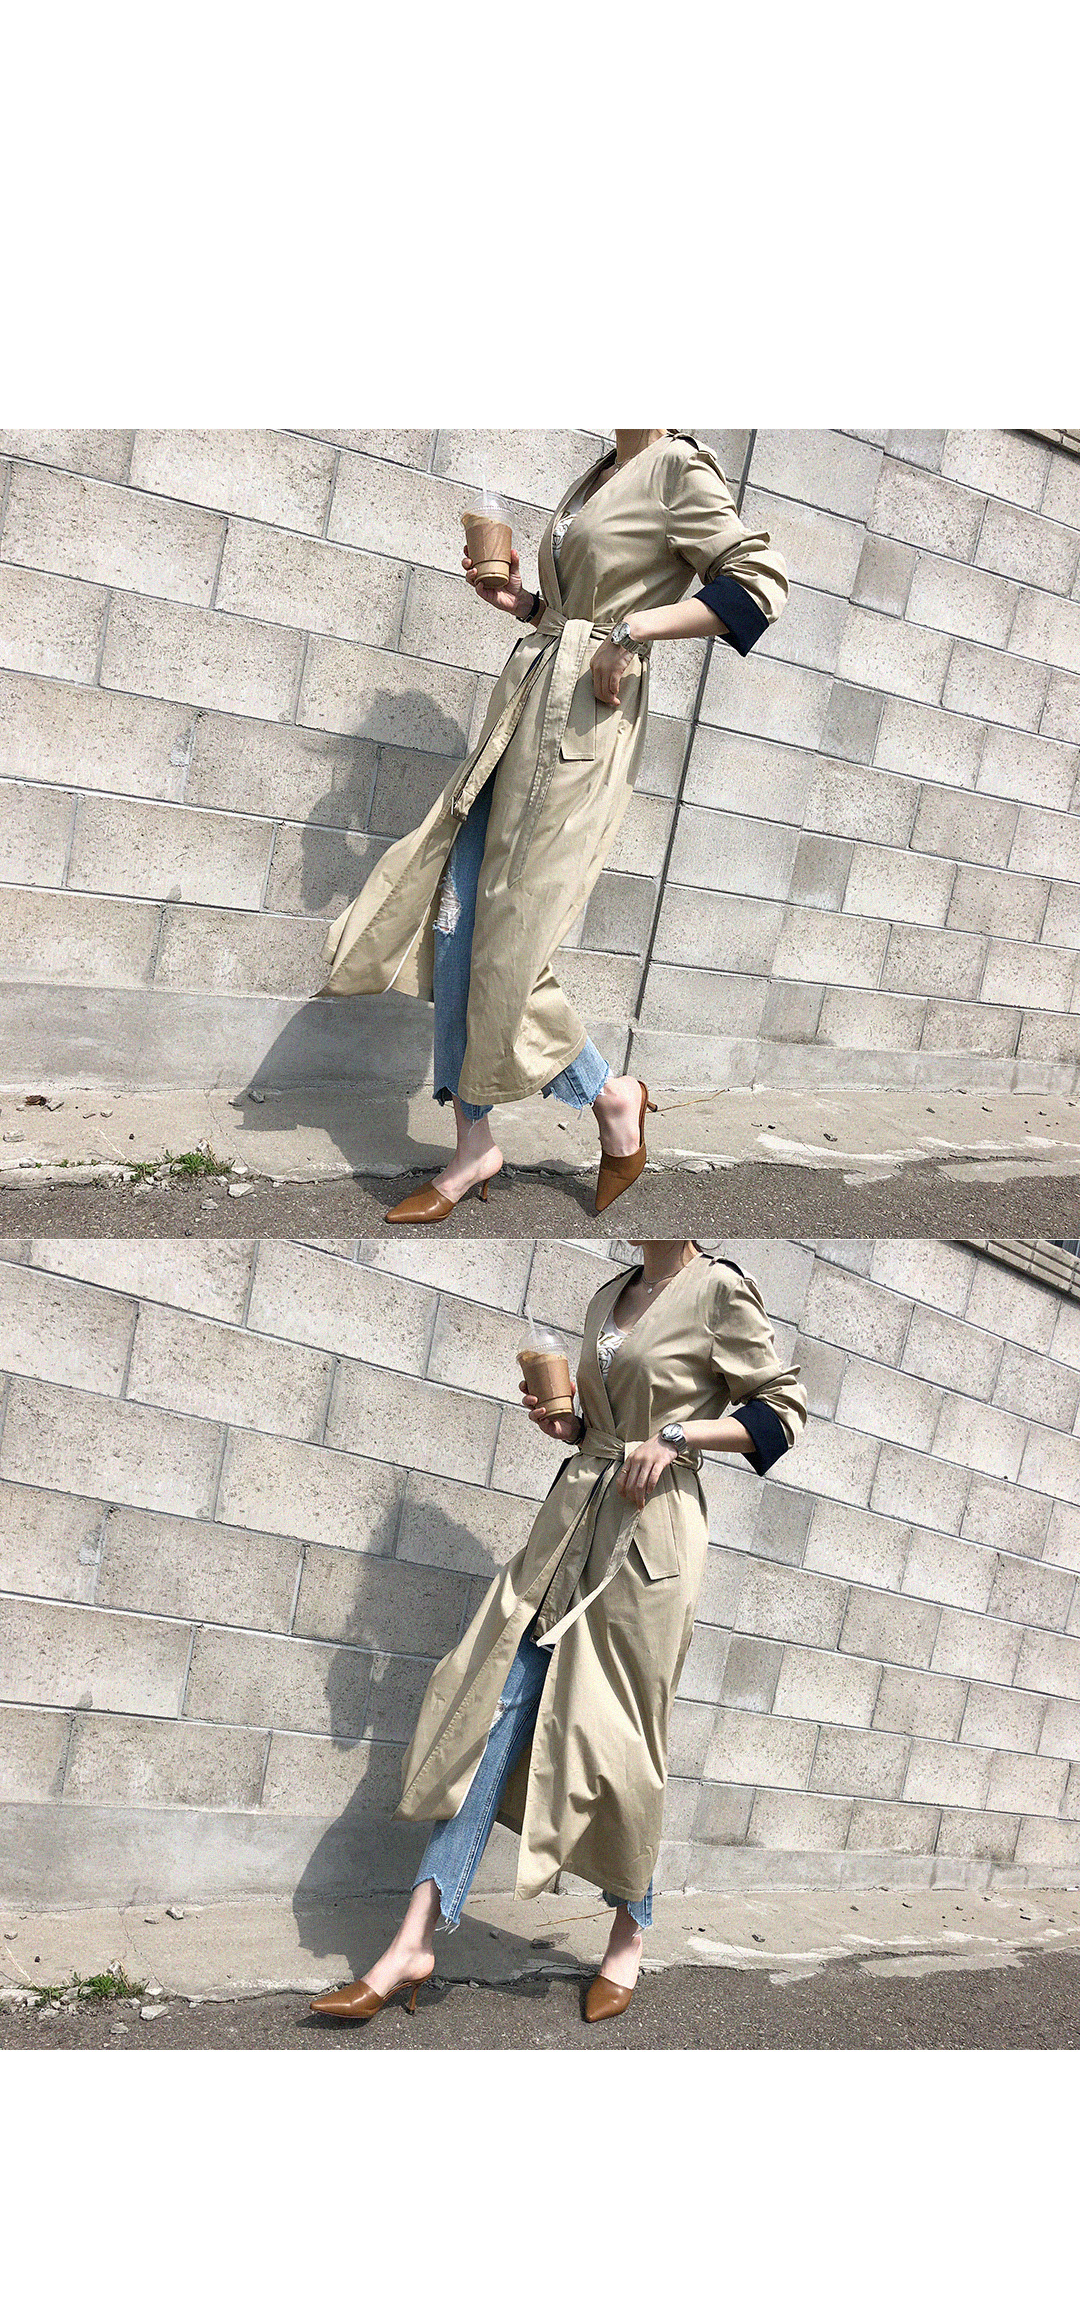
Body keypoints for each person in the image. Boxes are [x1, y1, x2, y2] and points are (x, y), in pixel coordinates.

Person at [309, 1241, 807, 2027]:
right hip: (571, 1522)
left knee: (624, 1741)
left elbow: (783, 1411)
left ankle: (629, 1930)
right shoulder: (610, 1292)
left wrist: (677, 1437)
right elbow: (604, 1422)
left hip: (650, 1538)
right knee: (489, 1711)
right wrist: (570, 1421)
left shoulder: (719, 1289)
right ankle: (413, 1941)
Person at [320, 429, 790, 1218]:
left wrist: (632, 632)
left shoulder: (677, 466)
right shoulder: (601, 470)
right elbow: (580, 605)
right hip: (527, 702)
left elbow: (760, 585)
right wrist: (526, 604)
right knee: (456, 911)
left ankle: (609, 1096)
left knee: (513, 938)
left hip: (584, 726)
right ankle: (475, 1142)